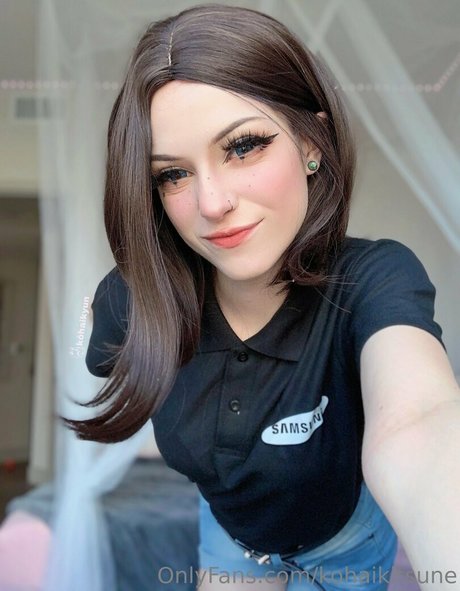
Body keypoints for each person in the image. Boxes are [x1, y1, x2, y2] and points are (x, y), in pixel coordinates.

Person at [69, 4, 460, 590]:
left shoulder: (375, 278)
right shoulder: (135, 299)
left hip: (348, 545)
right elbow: (97, 351)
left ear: (310, 141)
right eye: (173, 174)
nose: (211, 203)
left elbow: (420, 421)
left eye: (243, 146)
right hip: (230, 539)